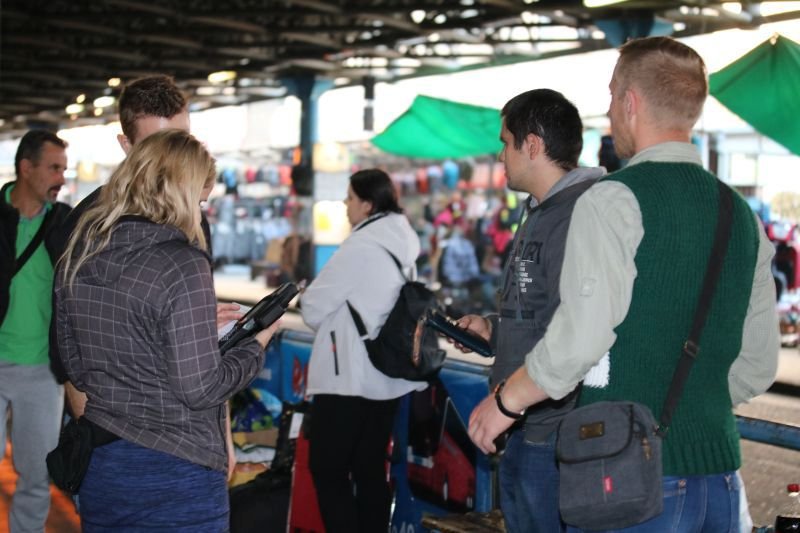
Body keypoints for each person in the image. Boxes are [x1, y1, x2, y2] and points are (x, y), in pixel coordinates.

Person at [467, 36, 779, 532]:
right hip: (720, 481)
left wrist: (506, 402)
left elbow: (581, 339)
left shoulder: (613, 200)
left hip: (631, 482)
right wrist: (692, 404)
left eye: (612, 97)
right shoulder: (739, 214)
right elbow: (759, 364)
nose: (610, 111)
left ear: (630, 102)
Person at [54, 129, 279, 531]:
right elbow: (202, 388)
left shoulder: (82, 251)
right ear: (180, 191)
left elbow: (75, 363)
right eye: (199, 198)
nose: (200, 211)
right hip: (179, 470)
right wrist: (255, 344)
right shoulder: (182, 261)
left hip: (104, 466)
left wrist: (179, 331)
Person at [52, 74, 244, 478]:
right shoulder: (83, 225)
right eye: (162, 145)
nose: (178, 158)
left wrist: (222, 440)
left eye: (184, 140)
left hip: (186, 443)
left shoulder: (193, 219)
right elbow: (70, 354)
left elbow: (204, 346)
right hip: (114, 444)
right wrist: (99, 442)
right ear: (127, 147)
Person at [455, 89, 604, 533]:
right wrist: (494, 330)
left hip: (553, 431)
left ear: (533, 146)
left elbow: (580, 329)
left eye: (506, 143)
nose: (501, 156)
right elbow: (543, 313)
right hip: (523, 422)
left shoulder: (581, 214)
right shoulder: (541, 211)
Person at [300, 168, 426, 532]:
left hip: (347, 380)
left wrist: (310, 294)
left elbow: (313, 310)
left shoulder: (360, 245)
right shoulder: (403, 244)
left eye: (350, 198)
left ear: (367, 204)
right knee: (370, 470)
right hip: (386, 377)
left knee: (327, 469)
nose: (345, 205)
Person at [0, 129, 70, 533]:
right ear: (26, 168)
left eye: (64, 167)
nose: (61, 176)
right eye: (54, 167)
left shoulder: (64, 224)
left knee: (36, 474)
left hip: (43, 372)